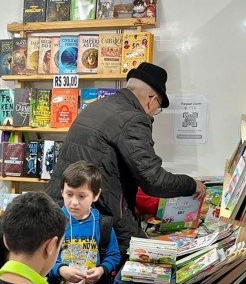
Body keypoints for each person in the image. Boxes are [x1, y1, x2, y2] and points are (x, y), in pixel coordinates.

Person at [47, 62, 206, 255]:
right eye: (157, 107)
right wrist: (191, 185)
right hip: (96, 218)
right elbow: (154, 180)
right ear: (151, 99)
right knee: (143, 260)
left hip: (63, 209)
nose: (154, 112)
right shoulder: (133, 118)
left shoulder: (97, 106)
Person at [48, 161, 121, 284]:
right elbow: (42, 257)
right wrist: (61, 269)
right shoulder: (53, 221)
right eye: (69, 194)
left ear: (95, 195)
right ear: (62, 191)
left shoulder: (102, 223)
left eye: (82, 196)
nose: (74, 202)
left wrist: (101, 270)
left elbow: (114, 255)